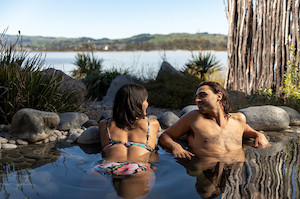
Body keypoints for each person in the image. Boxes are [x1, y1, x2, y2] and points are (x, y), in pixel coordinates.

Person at [159, 81, 270, 160]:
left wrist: (259, 135)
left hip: (236, 174)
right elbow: (165, 136)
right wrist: (176, 147)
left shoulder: (238, 119)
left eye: (202, 95)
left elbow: (247, 130)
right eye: (196, 97)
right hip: (205, 170)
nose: (197, 100)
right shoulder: (194, 118)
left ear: (219, 96)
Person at [93, 84, 160, 198]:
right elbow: (153, 154)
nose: (147, 104)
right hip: (138, 168)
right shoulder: (151, 124)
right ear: (138, 103)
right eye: (146, 100)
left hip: (106, 167)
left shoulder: (105, 124)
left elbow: (104, 152)